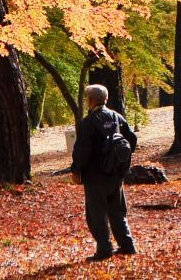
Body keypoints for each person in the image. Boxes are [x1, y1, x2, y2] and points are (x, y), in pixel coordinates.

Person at [71, 84, 138, 261]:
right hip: (116, 174)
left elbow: (82, 150)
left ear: (91, 100)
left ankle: (104, 250)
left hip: (95, 176)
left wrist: (76, 170)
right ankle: (127, 245)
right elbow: (131, 140)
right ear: (106, 99)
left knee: (96, 214)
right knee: (117, 211)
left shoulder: (89, 122)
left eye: (87, 98)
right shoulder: (117, 117)